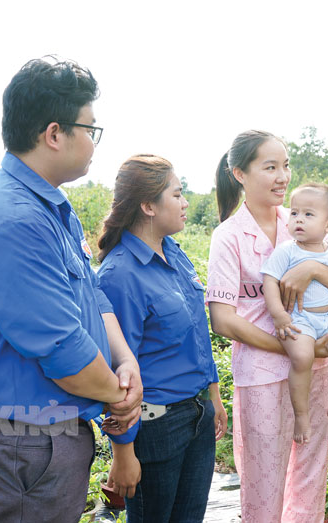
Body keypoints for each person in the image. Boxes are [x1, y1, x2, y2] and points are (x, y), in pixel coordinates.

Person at [0, 57, 142, 523]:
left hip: (50, 432)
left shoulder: (52, 208)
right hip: (26, 441)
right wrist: (119, 397)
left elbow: (92, 296)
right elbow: (63, 349)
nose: (94, 142)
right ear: (55, 134)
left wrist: (125, 360)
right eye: (90, 129)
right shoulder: (11, 221)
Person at [207, 130, 328, 523]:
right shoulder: (229, 236)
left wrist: (313, 267)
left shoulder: (299, 221)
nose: (283, 176)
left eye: (285, 165)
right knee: (264, 481)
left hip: (315, 368)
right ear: (240, 173)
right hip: (262, 374)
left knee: (310, 474)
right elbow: (223, 320)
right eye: (270, 167)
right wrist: (290, 346)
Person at [96, 154, 228, 522]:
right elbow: (115, 376)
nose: (186, 203)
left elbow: (198, 335)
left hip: (196, 416)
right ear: (148, 205)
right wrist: (124, 453)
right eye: (178, 194)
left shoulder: (174, 253)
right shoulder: (119, 275)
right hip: (156, 428)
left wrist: (213, 395)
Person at [261, 182, 328, 444]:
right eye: (294, 213)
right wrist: (278, 315)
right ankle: (302, 414)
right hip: (299, 320)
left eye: (309, 214)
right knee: (303, 356)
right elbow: (269, 281)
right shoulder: (287, 251)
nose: (298, 219)